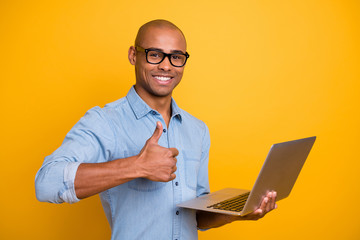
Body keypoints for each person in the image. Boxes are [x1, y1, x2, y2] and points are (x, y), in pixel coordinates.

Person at [35, 19, 277, 240]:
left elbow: (197, 216)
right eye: (155, 54)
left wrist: (240, 212)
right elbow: (46, 183)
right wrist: (136, 165)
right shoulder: (105, 121)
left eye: (176, 57)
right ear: (133, 55)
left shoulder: (198, 129)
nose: (166, 66)